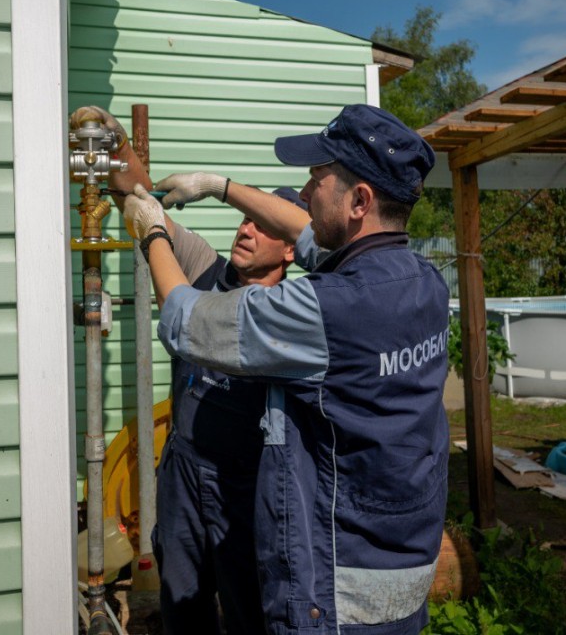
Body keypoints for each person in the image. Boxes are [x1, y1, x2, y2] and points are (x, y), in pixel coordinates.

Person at [123, 104, 450, 635]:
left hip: (335, 589)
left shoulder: (329, 308)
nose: (303, 193)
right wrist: (220, 186)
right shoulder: (420, 283)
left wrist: (154, 234)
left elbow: (187, 322)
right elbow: (306, 233)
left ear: (359, 200)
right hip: (397, 570)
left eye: (317, 179)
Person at [68, 106, 309, 635]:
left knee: (250, 609)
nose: (247, 229)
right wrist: (115, 146)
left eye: (264, 225)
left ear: (292, 248)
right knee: (183, 606)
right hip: (183, 468)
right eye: (247, 219)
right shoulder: (208, 268)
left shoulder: (296, 312)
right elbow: (141, 201)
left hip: (245, 485)